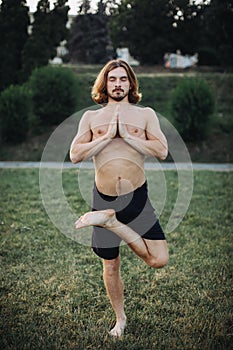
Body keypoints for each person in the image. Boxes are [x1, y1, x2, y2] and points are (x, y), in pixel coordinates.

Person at [70, 59, 169, 338]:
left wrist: (126, 134)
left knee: (159, 259)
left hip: (137, 197)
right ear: (105, 83)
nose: (117, 84)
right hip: (103, 197)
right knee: (110, 265)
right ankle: (120, 319)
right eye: (112, 79)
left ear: (130, 83)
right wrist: (106, 137)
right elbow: (76, 155)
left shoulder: (146, 114)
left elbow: (161, 150)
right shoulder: (90, 118)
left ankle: (110, 223)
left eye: (122, 79)